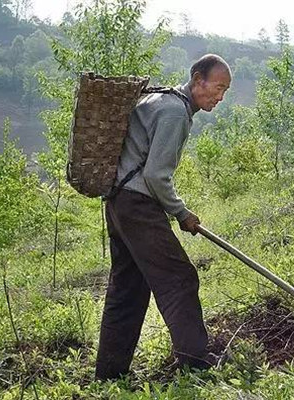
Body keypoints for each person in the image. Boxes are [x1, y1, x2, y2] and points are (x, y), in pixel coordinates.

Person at [95, 54, 232, 381]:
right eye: (217, 88)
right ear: (197, 80)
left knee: (128, 287)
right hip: (138, 205)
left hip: (118, 203)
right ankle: (196, 366)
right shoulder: (173, 112)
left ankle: (109, 375)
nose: (220, 97)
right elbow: (157, 176)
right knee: (179, 278)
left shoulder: (161, 99)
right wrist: (181, 213)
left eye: (225, 91)